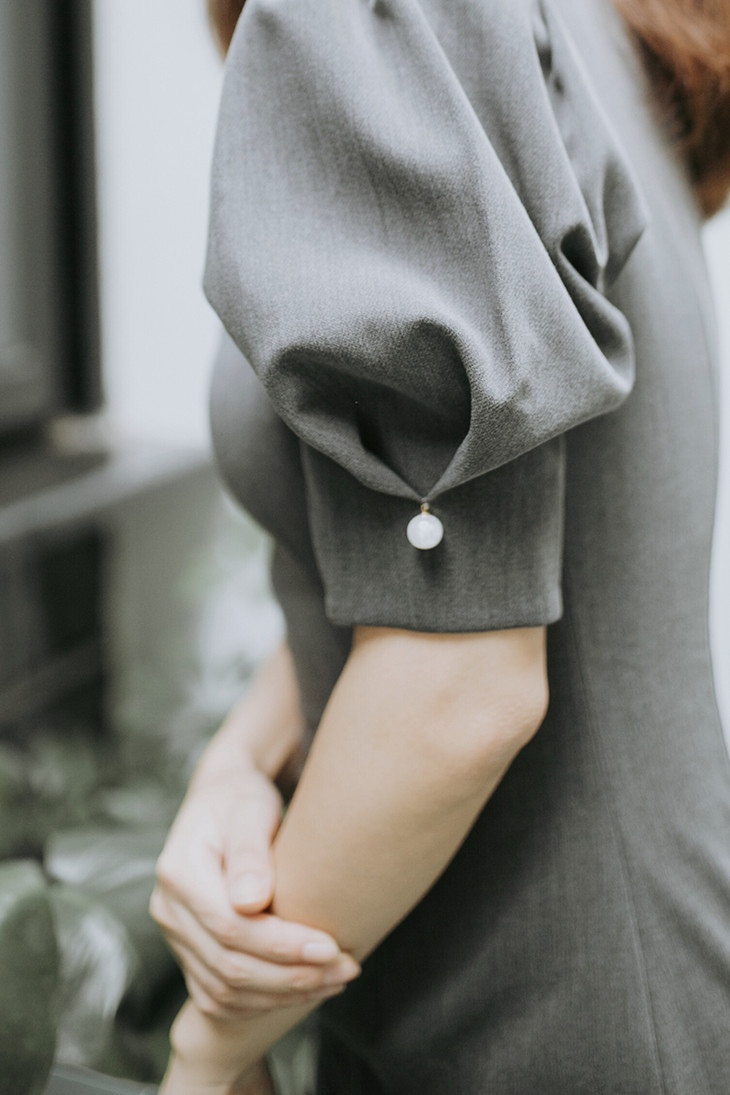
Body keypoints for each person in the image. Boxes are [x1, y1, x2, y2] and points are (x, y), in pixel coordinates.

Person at [150, 0, 730, 1091]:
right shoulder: (580, 19)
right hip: (635, 972)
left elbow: (458, 691)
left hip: (523, 1014)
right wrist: (239, 766)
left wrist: (210, 1046)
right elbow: (440, 560)